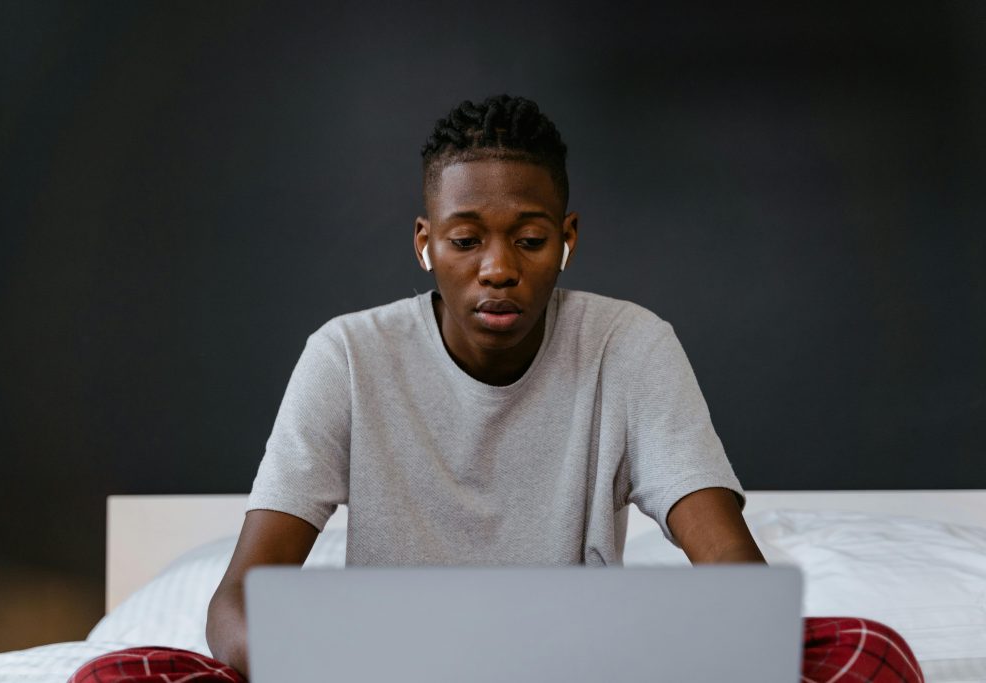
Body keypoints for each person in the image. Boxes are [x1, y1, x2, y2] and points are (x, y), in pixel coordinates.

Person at [70, 94, 923, 683]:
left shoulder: (630, 346)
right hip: (381, 677)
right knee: (116, 672)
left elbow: (735, 577)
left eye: (530, 237)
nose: (499, 269)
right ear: (423, 243)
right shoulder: (349, 356)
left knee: (868, 651)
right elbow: (237, 603)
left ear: (568, 239)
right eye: (466, 238)